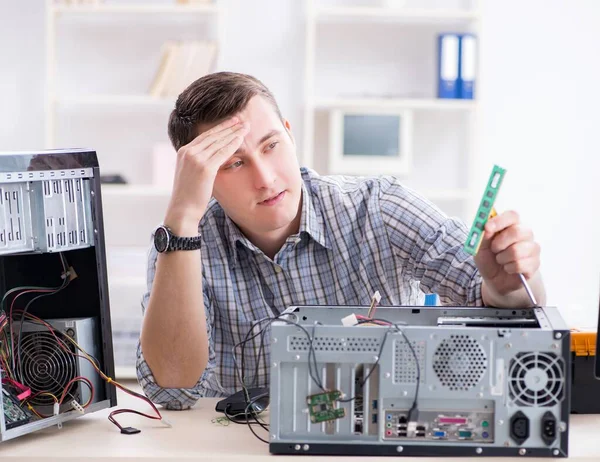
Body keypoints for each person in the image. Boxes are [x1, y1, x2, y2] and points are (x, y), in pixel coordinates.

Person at [136, 72, 544, 410]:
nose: (266, 177)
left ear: (290, 136)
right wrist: (183, 219)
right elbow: (172, 390)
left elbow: (521, 322)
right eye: (234, 164)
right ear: (202, 176)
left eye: (272, 146)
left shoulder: (378, 207)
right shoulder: (181, 243)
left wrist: (506, 285)